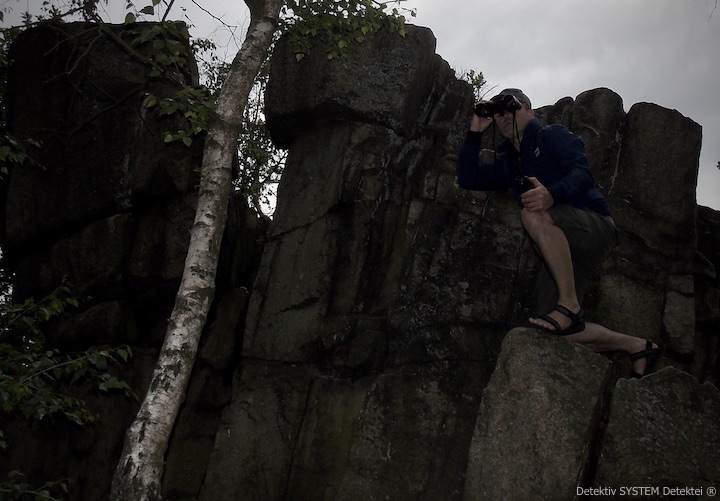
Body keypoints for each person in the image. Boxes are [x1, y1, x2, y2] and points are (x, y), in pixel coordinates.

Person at [457, 88, 660, 377]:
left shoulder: (551, 135)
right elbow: (467, 178)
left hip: (594, 226)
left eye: (512, 107)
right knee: (546, 329)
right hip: (560, 250)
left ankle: (569, 304)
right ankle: (637, 346)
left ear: (532, 112)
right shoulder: (507, 161)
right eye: (498, 112)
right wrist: (476, 129)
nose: (504, 116)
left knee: (532, 214)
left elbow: (583, 173)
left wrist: (552, 194)